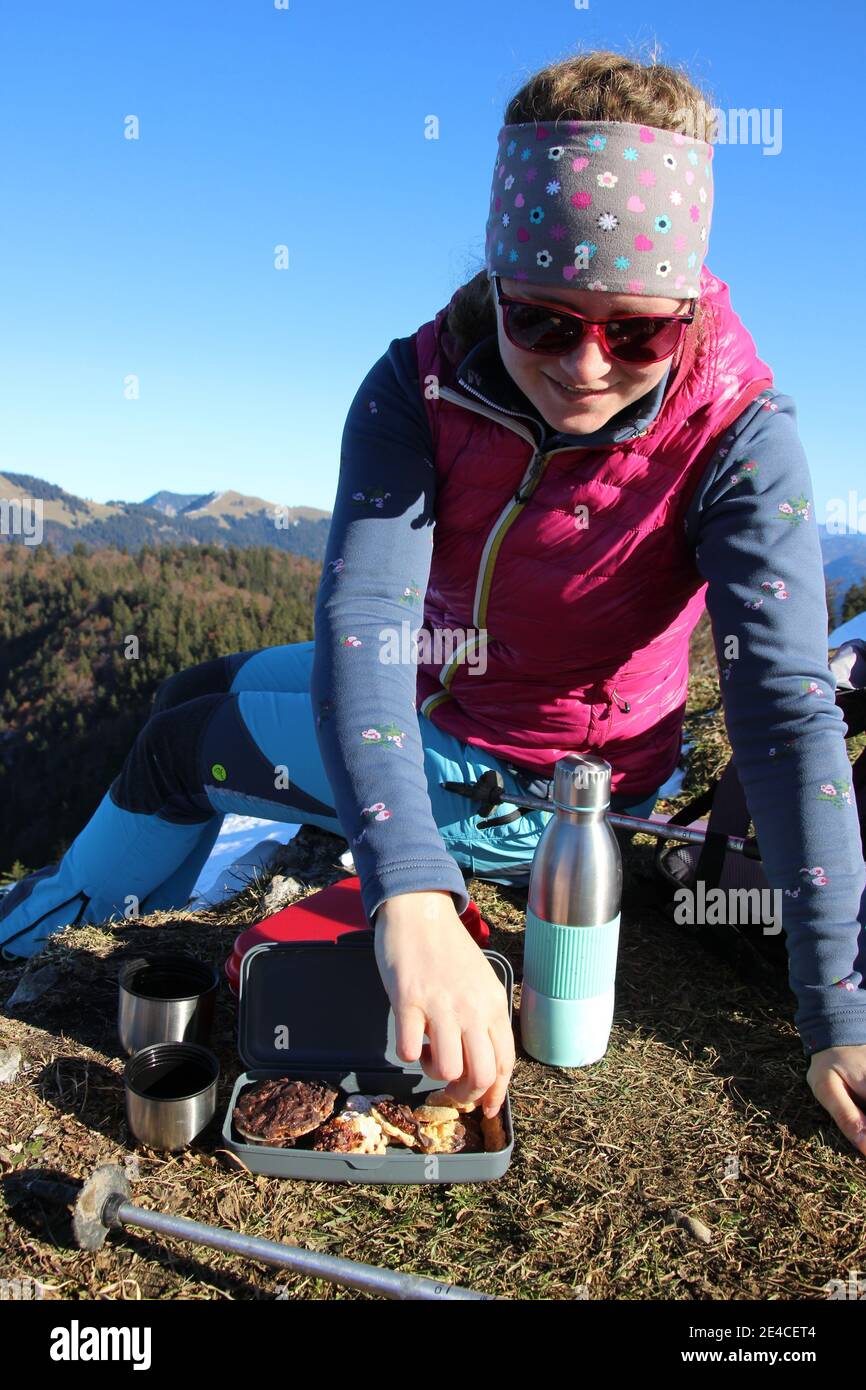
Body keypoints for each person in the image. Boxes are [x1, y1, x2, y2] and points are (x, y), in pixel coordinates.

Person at [3, 50, 865, 1153]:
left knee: (181, 747)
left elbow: (787, 712)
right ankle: (106, 923)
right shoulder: (416, 382)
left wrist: (837, 1011)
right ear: (495, 279)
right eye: (545, 320)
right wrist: (407, 886)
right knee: (198, 685)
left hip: (546, 793)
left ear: (687, 304)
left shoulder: (738, 437)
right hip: (437, 705)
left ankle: (28, 942)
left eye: (636, 330)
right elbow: (361, 628)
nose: (587, 366)